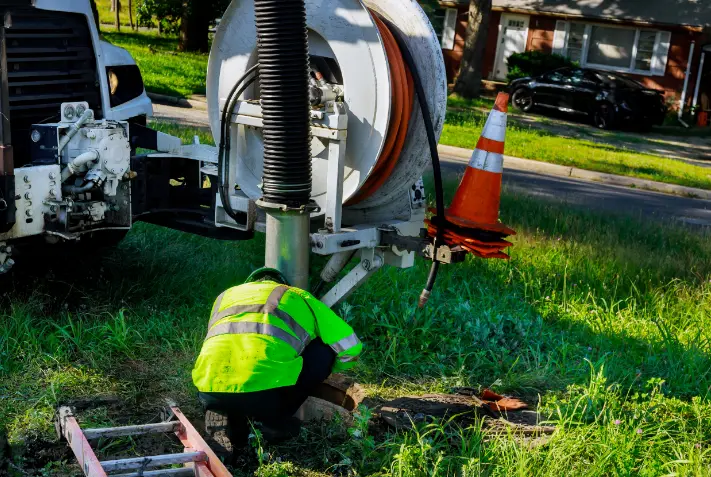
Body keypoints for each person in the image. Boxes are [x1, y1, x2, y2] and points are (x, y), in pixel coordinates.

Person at [192, 267, 363, 457]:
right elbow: (350, 347)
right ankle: (273, 422)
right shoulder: (296, 295)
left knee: (225, 354)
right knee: (324, 350)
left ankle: (227, 417)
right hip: (266, 396)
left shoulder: (224, 297)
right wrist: (332, 369)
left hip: (209, 387)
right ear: (280, 285)